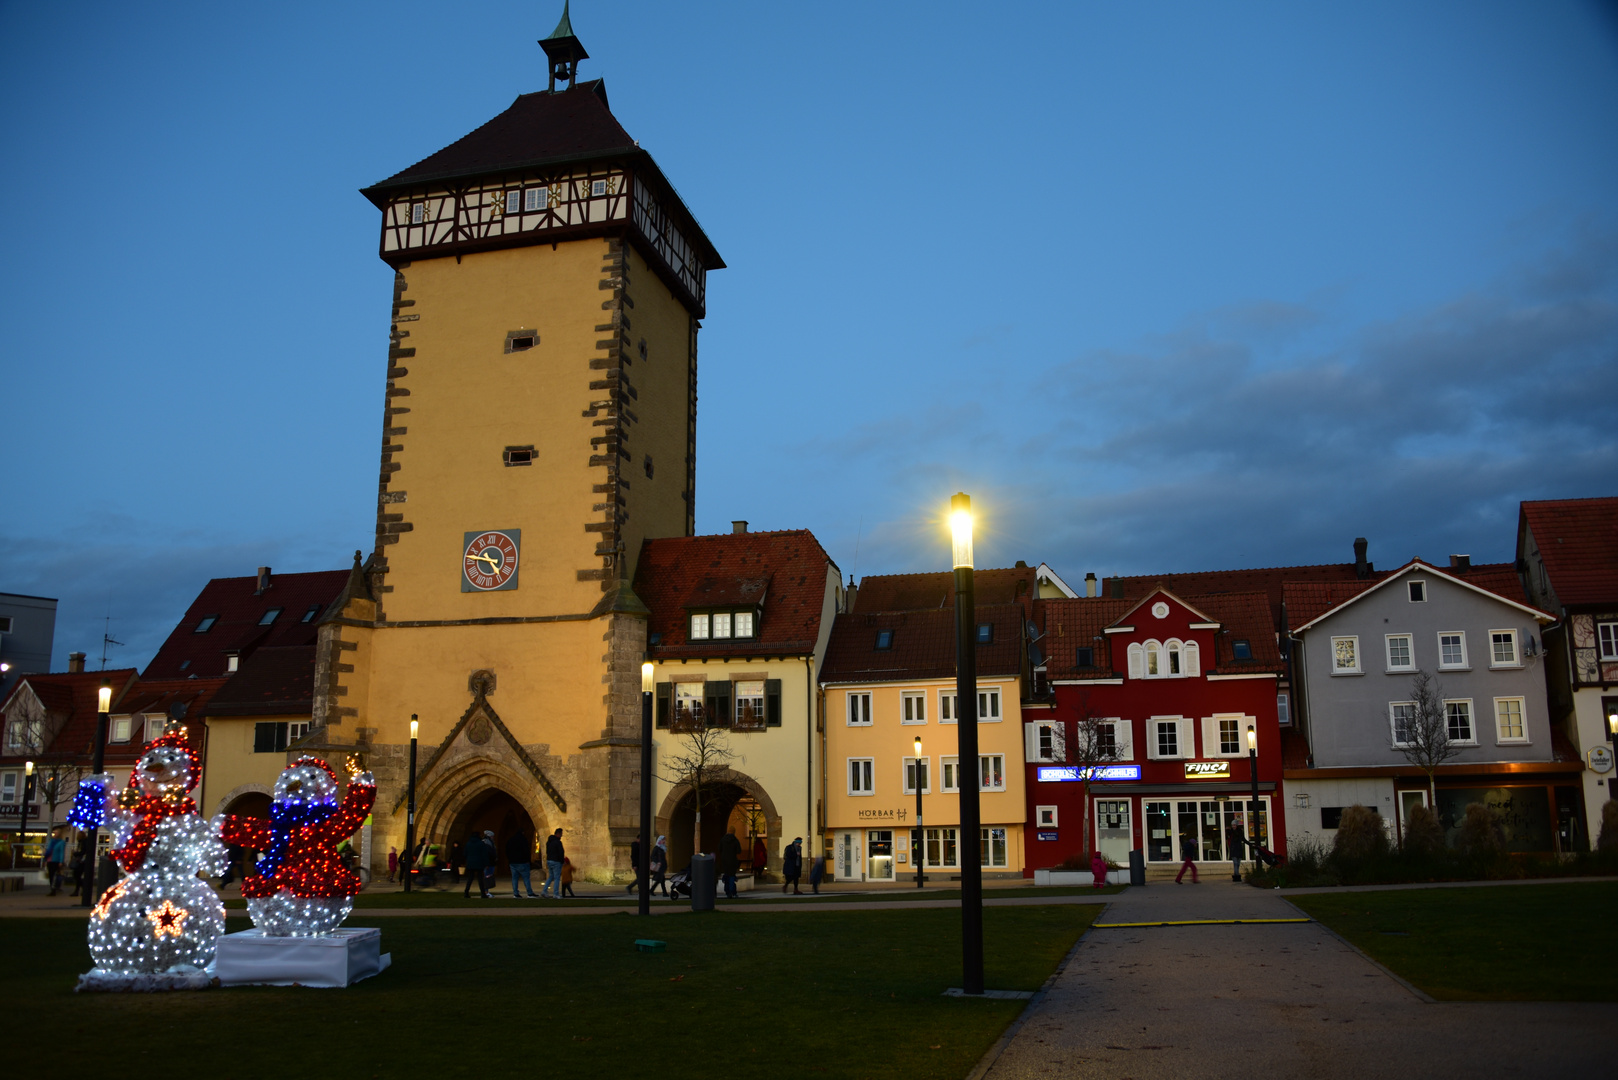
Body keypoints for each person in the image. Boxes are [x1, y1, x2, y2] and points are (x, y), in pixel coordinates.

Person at [507, 829, 537, 898]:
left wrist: (510, 859)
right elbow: (526, 851)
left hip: (513, 862)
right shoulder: (523, 840)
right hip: (522, 862)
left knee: (514, 878)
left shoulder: (511, 840)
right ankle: (529, 893)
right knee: (526, 878)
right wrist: (528, 861)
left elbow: (507, 850)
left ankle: (515, 893)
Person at [463, 831, 492, 899]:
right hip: (479, 863)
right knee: (480, 879)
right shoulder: (481, 843)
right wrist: (487, 864)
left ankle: (466, 892)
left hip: (470, 863)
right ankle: (483, 893)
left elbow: (465, 854)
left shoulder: (468, 844)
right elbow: (484, 855)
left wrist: (468, 860)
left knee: (470, 879)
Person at [43, 827, 67, 896]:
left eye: (56, 833)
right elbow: (48, 850)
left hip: (56, 860)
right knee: (50, 875)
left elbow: (61, 852)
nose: (54, 834)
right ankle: (52, 888)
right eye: (54, 833)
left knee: (56, 875)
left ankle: (55, 888)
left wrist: (61, 861)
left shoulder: (61, 842)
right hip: (50, 860)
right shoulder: (52, 841)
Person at [718, 829, 741, 899]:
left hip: (725, 860)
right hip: (733, 861)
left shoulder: (723, 840)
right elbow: (739, 851)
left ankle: (727, 891)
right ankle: (732, 891)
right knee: (732, 876)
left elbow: (719, 849)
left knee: (726, 875)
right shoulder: (735, 840)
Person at [542, 828, 565, 898]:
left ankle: (544, 891)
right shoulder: (558, 842)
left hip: (549, 860)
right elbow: (561, 853)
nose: (561, 836)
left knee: (551, 877)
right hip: (556, 861)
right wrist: (562, 861)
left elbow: (547, 852)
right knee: (557, 878)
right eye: (561, 834)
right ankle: (556, 894)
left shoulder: (549, 842)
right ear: (558, 834)